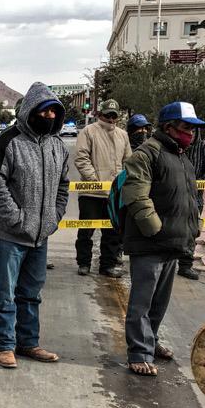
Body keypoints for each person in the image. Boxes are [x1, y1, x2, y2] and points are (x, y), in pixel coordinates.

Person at [0, 82, 70, 369]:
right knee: (6, 294)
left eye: (53, 113)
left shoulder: (57, 145)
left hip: (40, 236)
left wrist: (53, 218)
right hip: (11, 235)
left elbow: (63, 186)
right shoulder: (8, 141)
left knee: (32, 294)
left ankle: (28, 343)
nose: (48, 117)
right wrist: (16, 219)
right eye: (43, 111)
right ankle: (5, 345)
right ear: (31, 111)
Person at [122, 102, 204, 376]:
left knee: (159, 302)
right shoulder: (147, 154)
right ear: (168, 127)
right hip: (151, 244)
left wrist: (194, 226)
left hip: (172, 243)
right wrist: (154, 229)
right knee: (142, 302)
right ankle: (138, 352)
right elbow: (135, 194)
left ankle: (151, 341)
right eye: (185, 127)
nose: (190, 133)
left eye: (193, 128)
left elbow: (190, 199)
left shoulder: (183, 157)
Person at [74, 99, 132, 278]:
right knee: (86, 230)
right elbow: (81, 158)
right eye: (108, 114)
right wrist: (95, 180)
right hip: (91, 192)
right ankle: (84, 262)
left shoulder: (123, 135)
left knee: (113, 232)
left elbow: (128, 161)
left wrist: (123, 182)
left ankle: (107, 265)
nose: (111, 118)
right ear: (100, 114)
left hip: (114, 195)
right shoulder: (88, 132)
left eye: (114, 115)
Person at [177, 128, 205, 280]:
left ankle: (185, 265)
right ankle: (166, 261)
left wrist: (193, 184)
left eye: (192, 130)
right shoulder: (176, 146)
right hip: (173, 197)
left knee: (191, 233)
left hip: (195, 200)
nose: (189, 133)